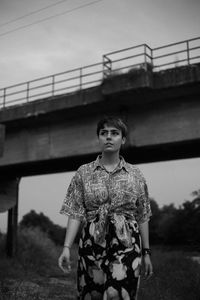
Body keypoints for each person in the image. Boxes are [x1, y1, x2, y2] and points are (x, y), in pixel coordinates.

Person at [58, 116, 153, 300]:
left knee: (115, 294)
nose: (108, 137)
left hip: (127, 241)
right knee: (92, 294)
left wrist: (147, 252)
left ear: (123, 139)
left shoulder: (135, 174)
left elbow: (143, 215)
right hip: (91, 241)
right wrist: (66, 247)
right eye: (104, 133)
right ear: (99, 138)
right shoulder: (83, 172)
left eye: (114, 133)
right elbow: (76, 212)